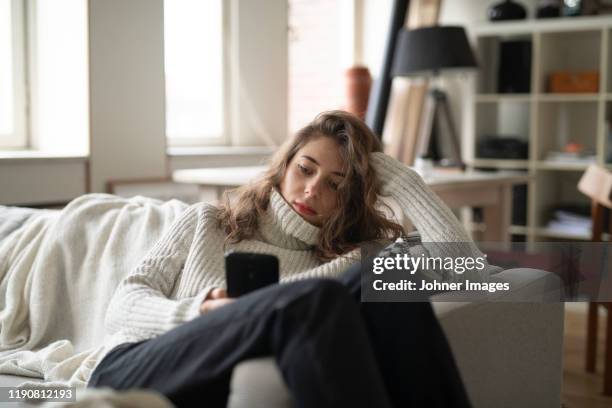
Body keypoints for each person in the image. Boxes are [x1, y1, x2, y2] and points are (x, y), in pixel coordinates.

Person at [88, 111, 483, 407]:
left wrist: (401, 180)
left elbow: (466, 269)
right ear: (284, 165)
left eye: (335, 184)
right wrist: (203, 311)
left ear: (352, 197)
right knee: (313, 298)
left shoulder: (352, 258)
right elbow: (122, 306)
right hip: (136, 365)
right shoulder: (206, 222)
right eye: (305, 170)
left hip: (223, 374)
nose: (312, 191)